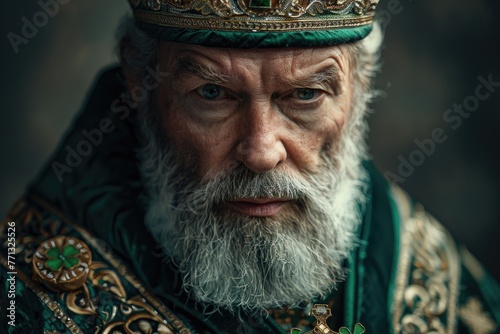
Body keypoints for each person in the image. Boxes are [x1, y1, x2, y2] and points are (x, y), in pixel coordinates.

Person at [1, 0, 499, 333]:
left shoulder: (418, 267)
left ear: (361, 84)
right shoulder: (20, 298)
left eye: (304, 94)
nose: (261, 151)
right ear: (140, 78)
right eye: (213, 94)